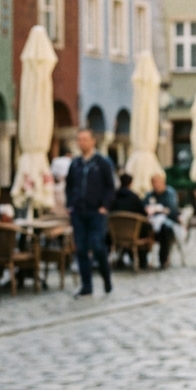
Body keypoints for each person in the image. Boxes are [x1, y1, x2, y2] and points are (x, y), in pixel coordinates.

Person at [65, 127, 115, 298]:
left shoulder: (102, 163)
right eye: (79, 140)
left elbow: (110, 187)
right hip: (78, 212)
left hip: (96, 212)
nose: (82, 143)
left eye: (85, 139)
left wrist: (104, 206)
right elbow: (69, 186)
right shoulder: (76, 164)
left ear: (93, 141)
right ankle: (87, 286)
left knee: (98, 246)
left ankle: (106, 278)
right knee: (81, 250)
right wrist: (70, 205)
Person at [144, 173, 180, 269]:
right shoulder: (150, 195)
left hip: (168, 223)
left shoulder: (170, 193)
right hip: (152, 222)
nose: (156, 185)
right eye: (154, 183)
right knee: (142, 228)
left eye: (158, 183)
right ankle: (142, 259)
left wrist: (158, 210)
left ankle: (163, 259)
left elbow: (171, 211)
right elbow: (145, 208)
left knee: (166, 228)